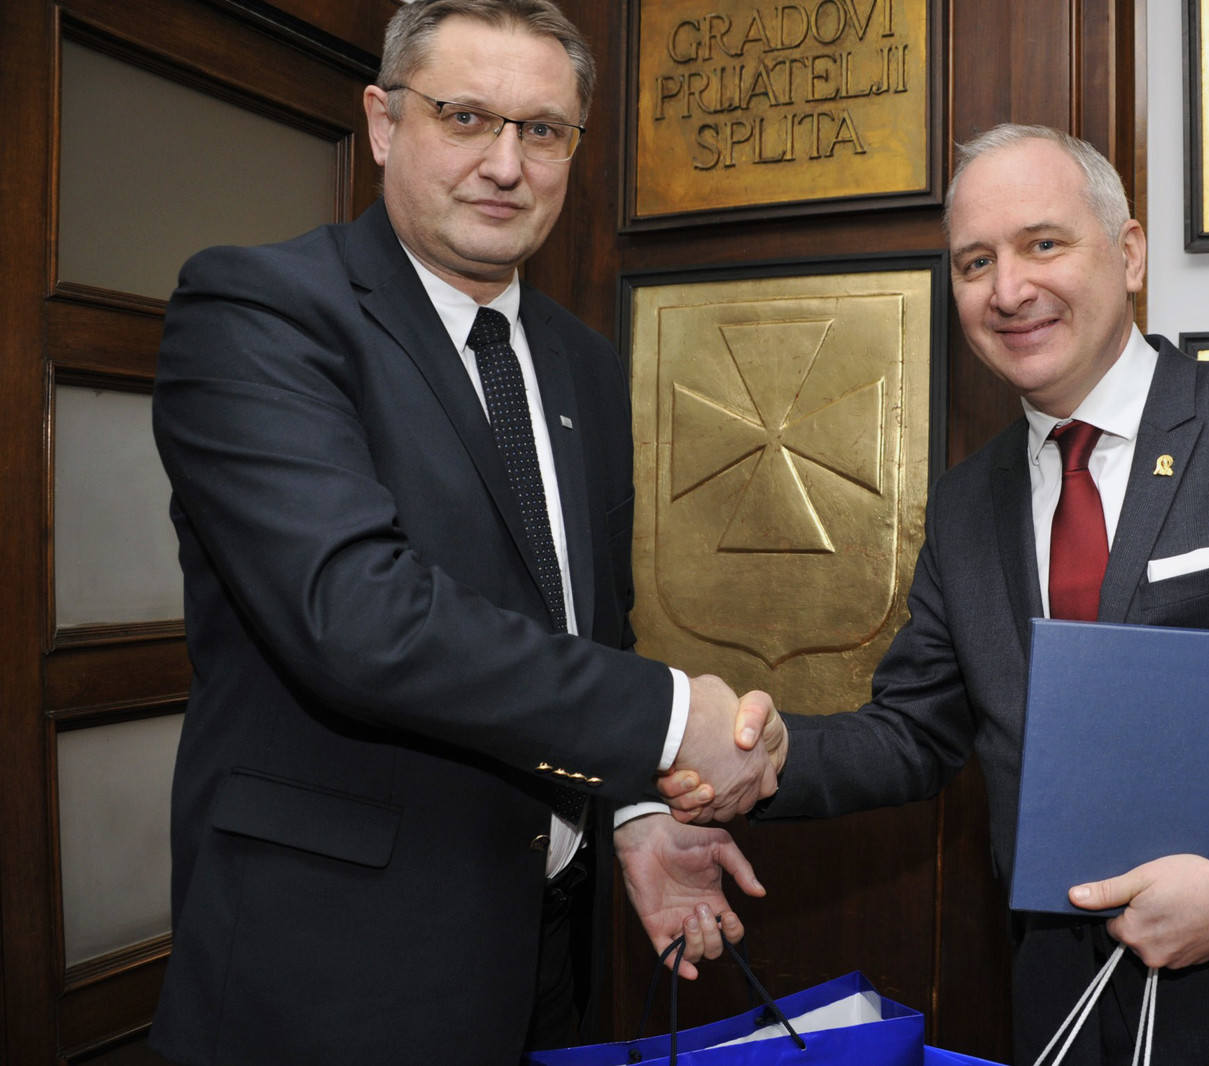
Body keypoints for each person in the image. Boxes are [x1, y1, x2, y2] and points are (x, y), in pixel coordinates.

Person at [663, 125, 1209, 1065]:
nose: (1008, 290)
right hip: (1062, 1011)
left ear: (1130, 254)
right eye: (975, 262)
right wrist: (773, 757)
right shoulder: (966, 501)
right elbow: (915, 731)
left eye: (1043, 243)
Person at [149, 2, 774, 1063]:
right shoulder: (258, 310)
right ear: (382, 122)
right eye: (466, 117)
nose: (505, 164)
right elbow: (360, 617)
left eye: (543, 131)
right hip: (331, 978)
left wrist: (636, 811)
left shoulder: (583, 362)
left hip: (544, 952)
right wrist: (674, 721)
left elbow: (584, 628)